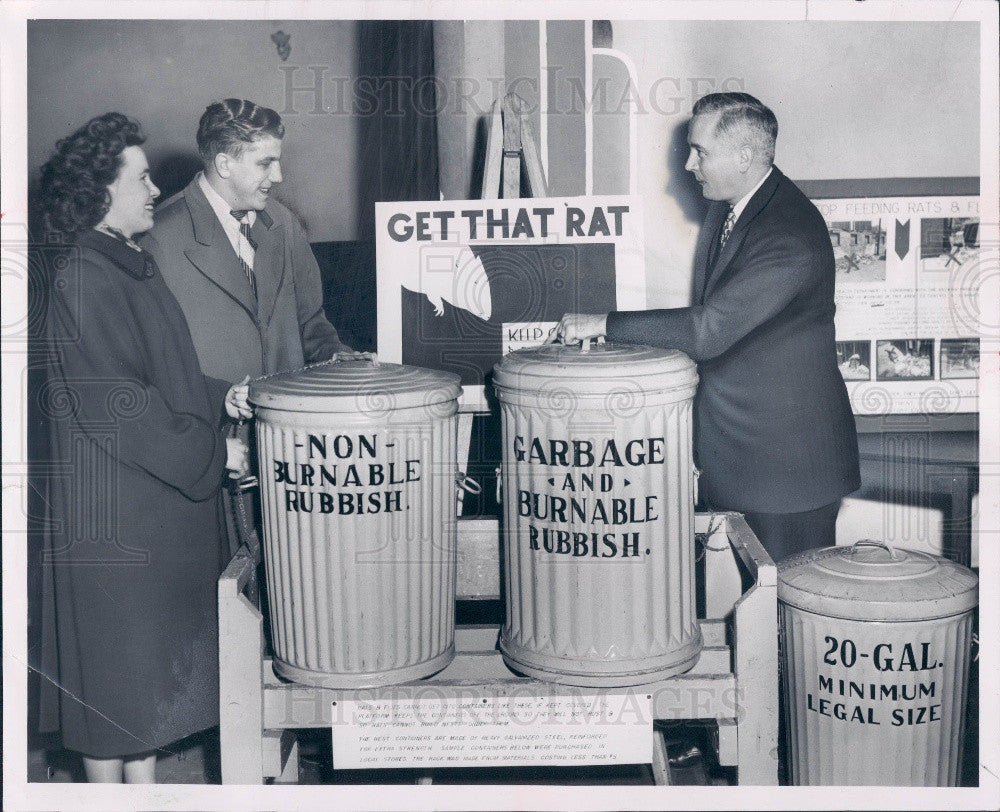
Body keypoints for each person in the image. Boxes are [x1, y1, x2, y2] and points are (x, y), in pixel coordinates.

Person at [38, 113, 252, 782]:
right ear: (99, 192)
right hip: (120, 524)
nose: (156, 189)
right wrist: (218, 456)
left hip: (149, 511)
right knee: (114, 698)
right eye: (140, 178)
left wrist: (223, 396)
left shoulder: (127, 263)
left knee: (142, 701)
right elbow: (122, 408)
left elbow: (159, 372)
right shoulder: (85, 276)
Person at [554, 92, 860, 562]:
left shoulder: (789, 234)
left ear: (744, 157)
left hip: (788, 469)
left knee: (785, 613)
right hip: (747, 454)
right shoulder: (734, 205)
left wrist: (602, 323)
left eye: (701, 152)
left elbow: (709, 330)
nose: (689, 165)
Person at [142, 98, 356, 559]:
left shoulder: (284, 227)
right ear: (223, 162)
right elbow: (150, 366)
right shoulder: (158, 237)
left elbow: (311, 323)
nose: (277, 177)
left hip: (291, 450)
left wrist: (338, 358)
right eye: (265, 163)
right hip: (211, 454)